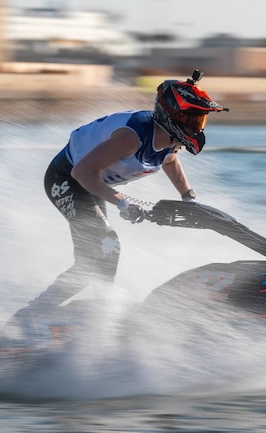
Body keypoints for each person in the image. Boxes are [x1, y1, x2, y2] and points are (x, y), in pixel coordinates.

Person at [32, 70, 229, 306]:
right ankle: (70, 309)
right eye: (195, 121)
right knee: (106, 246)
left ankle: (89, 306)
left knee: (93, 258)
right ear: (173, 117)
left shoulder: (169, 140)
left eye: (201, 121)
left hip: (92, 185)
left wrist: (188, 198)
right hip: (66, 179)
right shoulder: (131, 138)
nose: (199, 127)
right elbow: (81, 173)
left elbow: (170, 161)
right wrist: (123, 203)